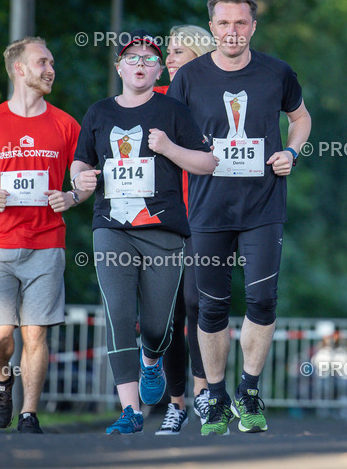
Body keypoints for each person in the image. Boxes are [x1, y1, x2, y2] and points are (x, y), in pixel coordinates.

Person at [168, 0, 312, 435]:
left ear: (253, 26)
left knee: (264, 298)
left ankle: (248, 389)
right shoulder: (189, 78)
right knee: (210, 307)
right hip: (208, 209)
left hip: (263, 205)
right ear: (212, 28)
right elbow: (165, 135)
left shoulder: (277, 73)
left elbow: (301, 118)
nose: (233, 32)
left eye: (241, 23)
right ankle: (214, 393)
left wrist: (291, 151)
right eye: (224, 23)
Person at [70, 30, 217, 434]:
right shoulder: (99, 112)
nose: (140, 64)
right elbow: (80, 162)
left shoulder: (173, 111)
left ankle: (151, 360)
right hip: (111, 226)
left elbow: (208, 162)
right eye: (131, 58)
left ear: (158, 72)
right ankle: (130, 411)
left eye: (150, 60)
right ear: (119, 67)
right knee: (118, 314)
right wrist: (80, 179)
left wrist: (169, 148)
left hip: (164, 230)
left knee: (156, 325)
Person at [0, 36, 82, 433]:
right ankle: (1, 379)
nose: (50, 69)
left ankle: (29, 414)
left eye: (52, 62)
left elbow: (85, 177)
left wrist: (72, 195)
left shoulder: (66, 124)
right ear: (19, 69)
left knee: (35, 334)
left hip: (47, 243)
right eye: (42, 62)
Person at [153, 24, 218, 434]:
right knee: (165, 316)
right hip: (160, 221)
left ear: (199, 57)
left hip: (205, 218)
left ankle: (202, 394)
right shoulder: (152, 101)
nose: (169, 58)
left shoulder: (214, 101)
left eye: (179, 51)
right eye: (169, 52)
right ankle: (176, 402)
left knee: (197, 305)